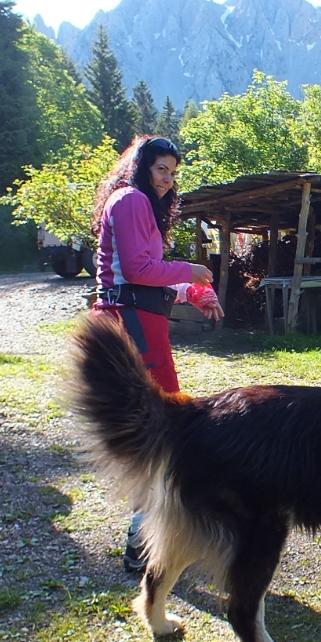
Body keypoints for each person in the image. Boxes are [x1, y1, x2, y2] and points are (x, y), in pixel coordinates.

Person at [90, 135, 223, 572]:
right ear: (141, 166)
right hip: (131, 323)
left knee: (154, 427)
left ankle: (149, 536)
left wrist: (191, 292)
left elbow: (145, 274)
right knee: (159, 428)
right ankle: (143, 543)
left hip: (133, 318)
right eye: (160, 169)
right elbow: (138, 270)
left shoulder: (133, 202)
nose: (167, 179)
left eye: (172, 171)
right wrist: (192, 270)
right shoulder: (130, 201)